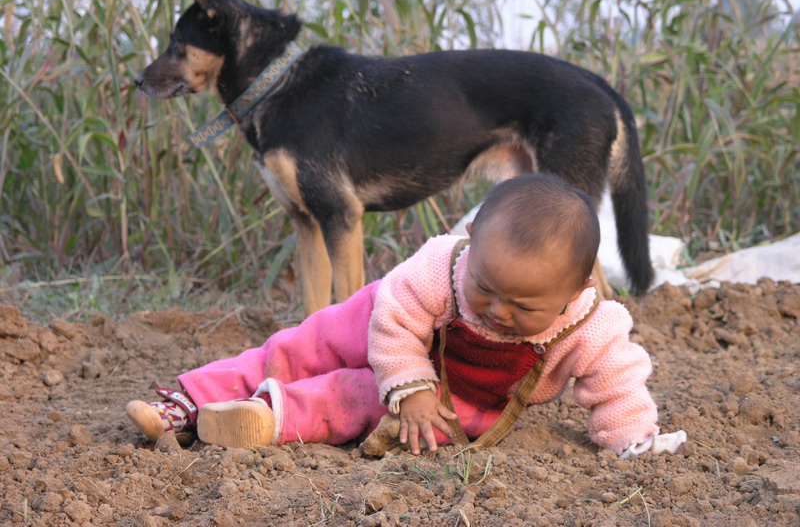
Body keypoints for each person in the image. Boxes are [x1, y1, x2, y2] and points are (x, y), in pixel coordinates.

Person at [127, 174, 686, 458]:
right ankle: (189, 399)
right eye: (486, 290)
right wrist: (408, 380)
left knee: (364, 402)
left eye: (523, 307)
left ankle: (261, 419)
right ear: (469, 245)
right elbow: (395, 325)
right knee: (306, 346)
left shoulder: (591, 327)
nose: (497, 311)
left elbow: (619, 385)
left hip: (468, 391)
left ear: (576, 290)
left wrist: (631, 438)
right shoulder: (438, 268)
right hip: (392, 323)